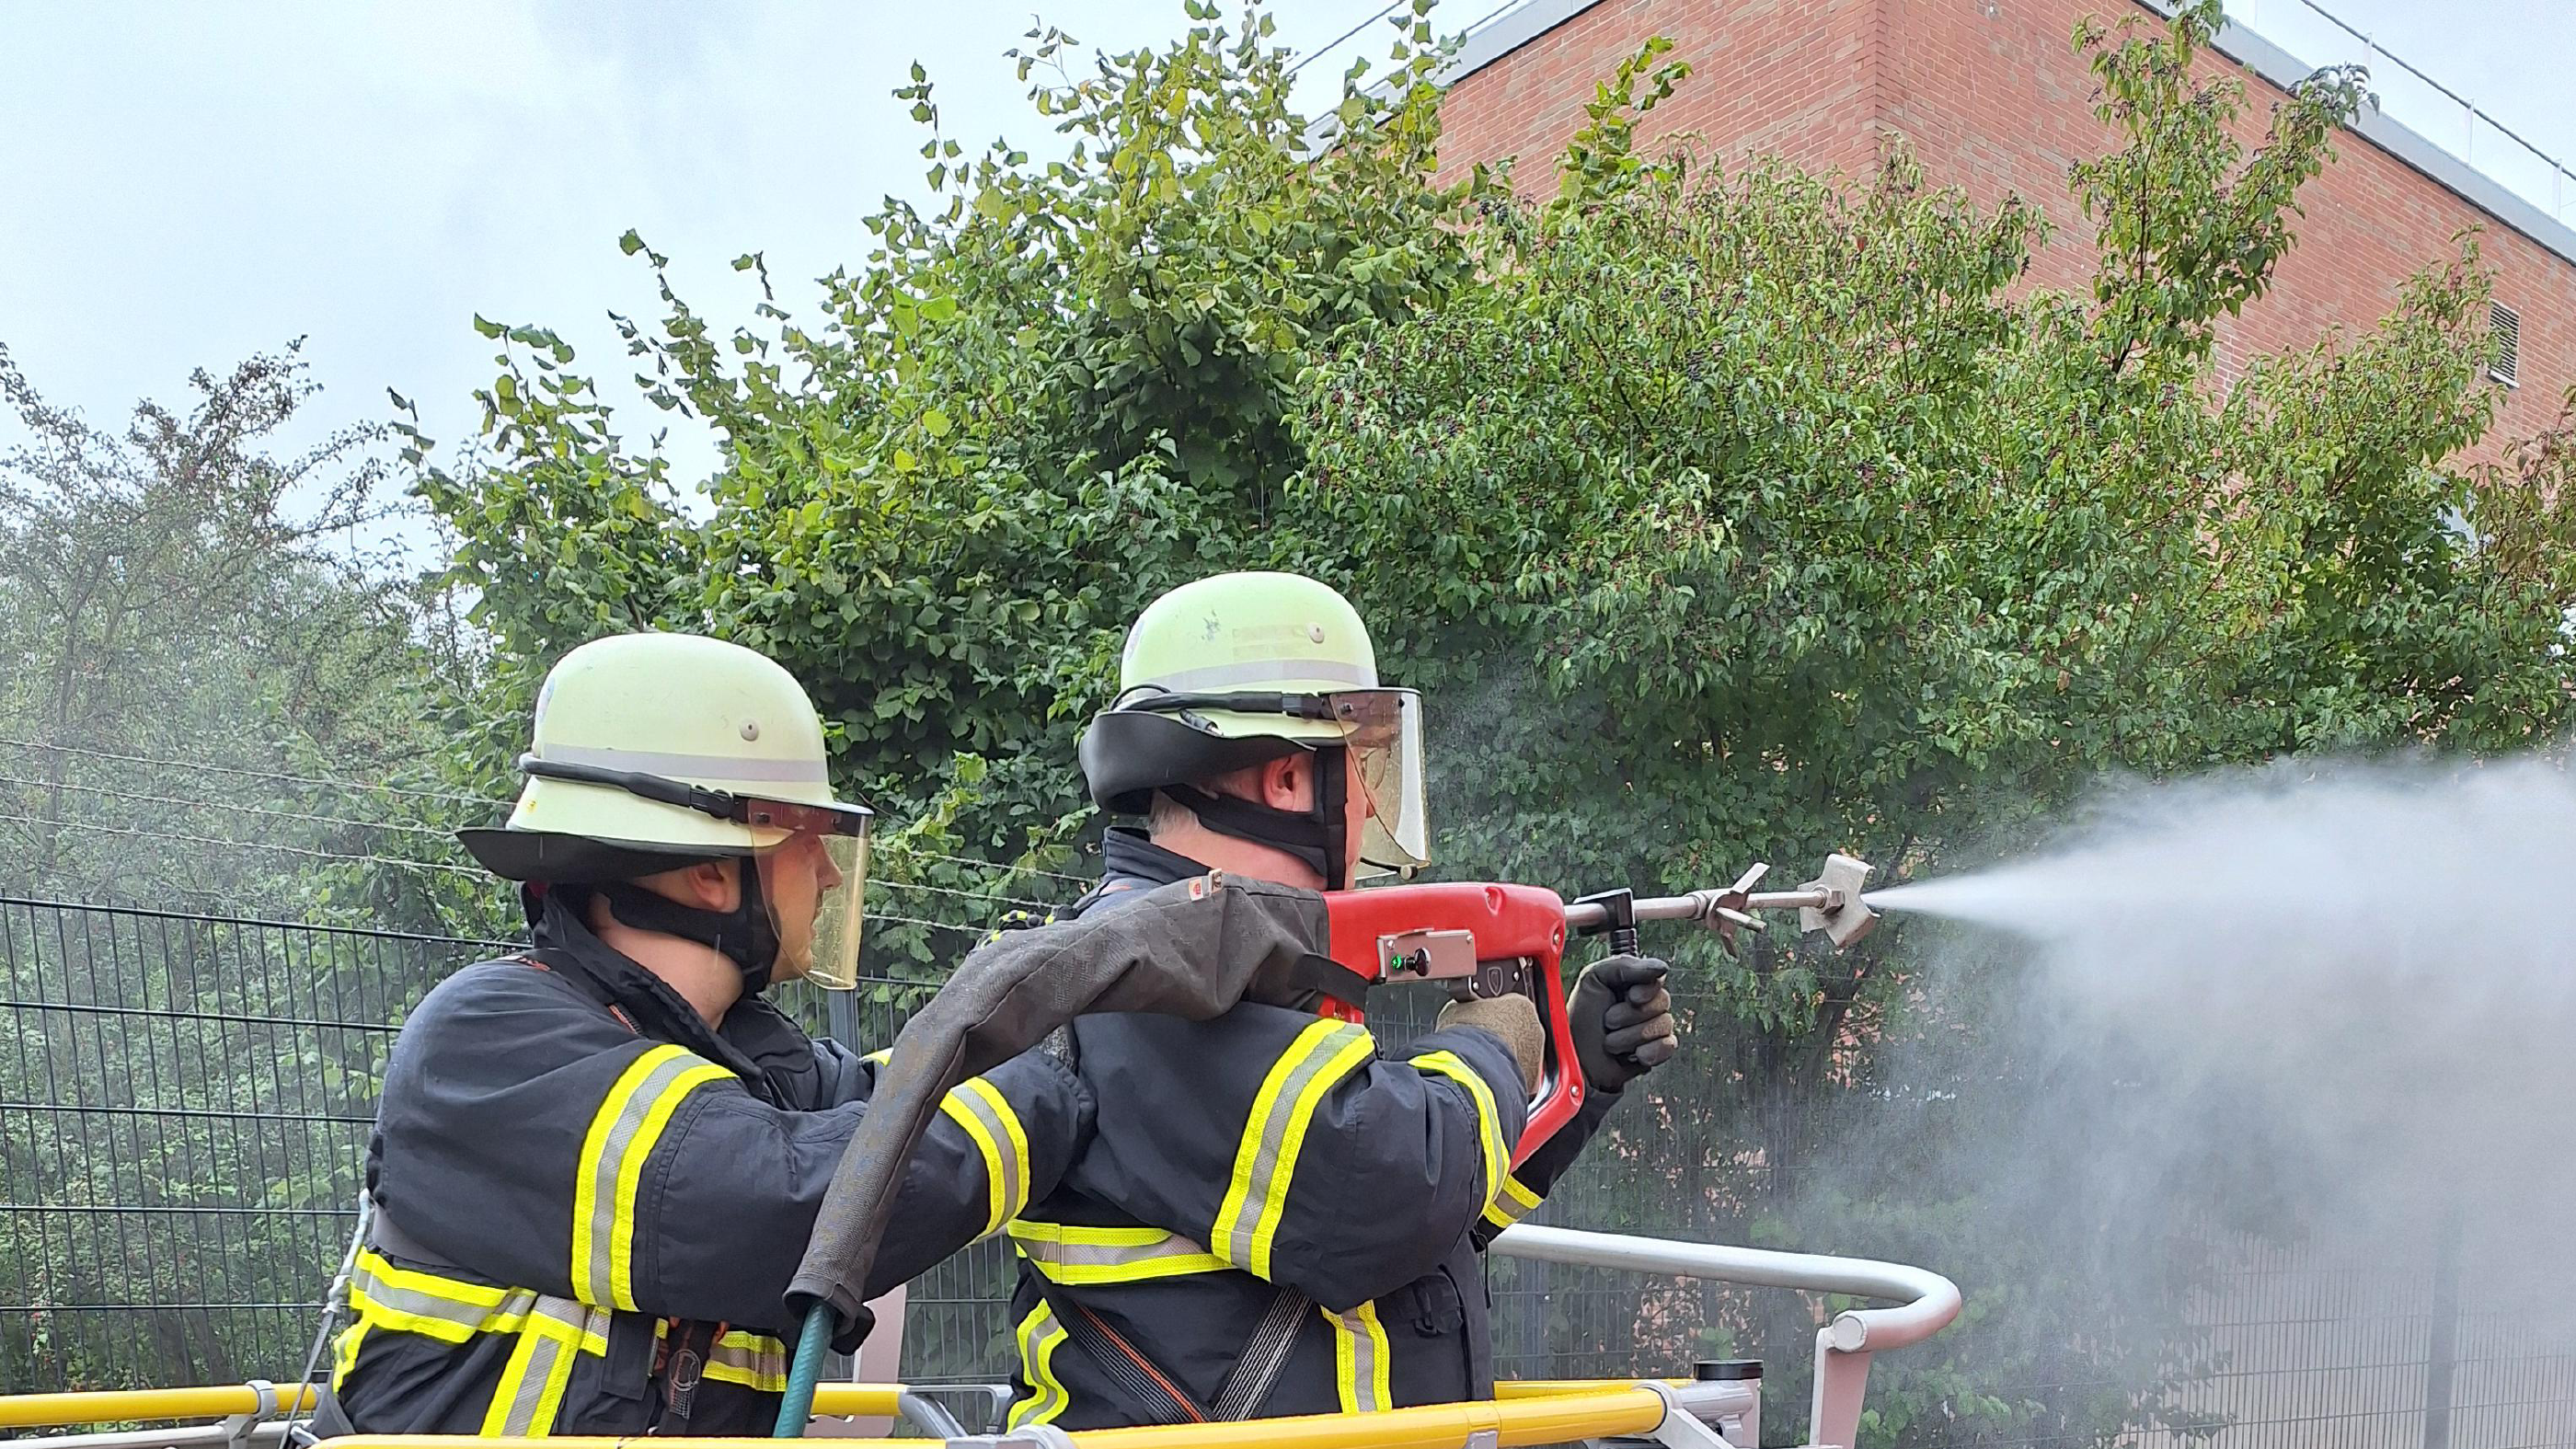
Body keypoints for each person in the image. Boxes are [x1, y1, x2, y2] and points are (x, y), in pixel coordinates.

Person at [316, 631, 1092, 1437]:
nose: (828, 875)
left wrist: (1067, 995)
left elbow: (896, 1094)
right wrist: (1055, 1089)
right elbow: (798, 1201)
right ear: (712, 870)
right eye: (804, 838)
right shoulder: (490, 1044)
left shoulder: (740, 1048)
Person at [999, 570, 1678, 1429]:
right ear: (1287, 776)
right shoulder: (1147, 981)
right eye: (1357, 764)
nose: (1365, 800)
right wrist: (1496, 1048)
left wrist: (1575, 1075)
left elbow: (1430, 1237)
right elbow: (1383, 1192)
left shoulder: (1241, 966)